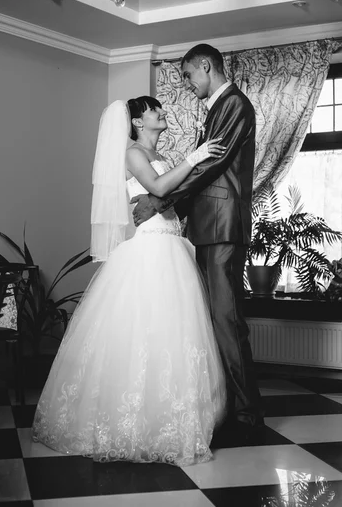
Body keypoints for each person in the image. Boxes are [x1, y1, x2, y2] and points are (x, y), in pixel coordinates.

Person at [31, 96, 227, 466]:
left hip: (172, 244)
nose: (162, 112)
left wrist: (191, 167)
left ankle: (172, 419)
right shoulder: (133, 153)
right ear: (137, 121)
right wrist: (196, 156)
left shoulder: (160, 154)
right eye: (154, 110)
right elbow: (159, 188)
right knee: (143, 334)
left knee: (172, 335)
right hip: (150, 250)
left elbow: (173, 196)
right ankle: (135, 422)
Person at [131, 45, 264, 442]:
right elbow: (204, 170)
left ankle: (246, 417)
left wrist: (160, 200)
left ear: (206, 66)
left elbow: (210, 165)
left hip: (222, 227)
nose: (188, 85)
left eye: (189, 75)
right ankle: (229, 409)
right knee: (213, 322)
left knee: (225, 321)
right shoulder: (218, 107)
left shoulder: (235, 104)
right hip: (208, 227)